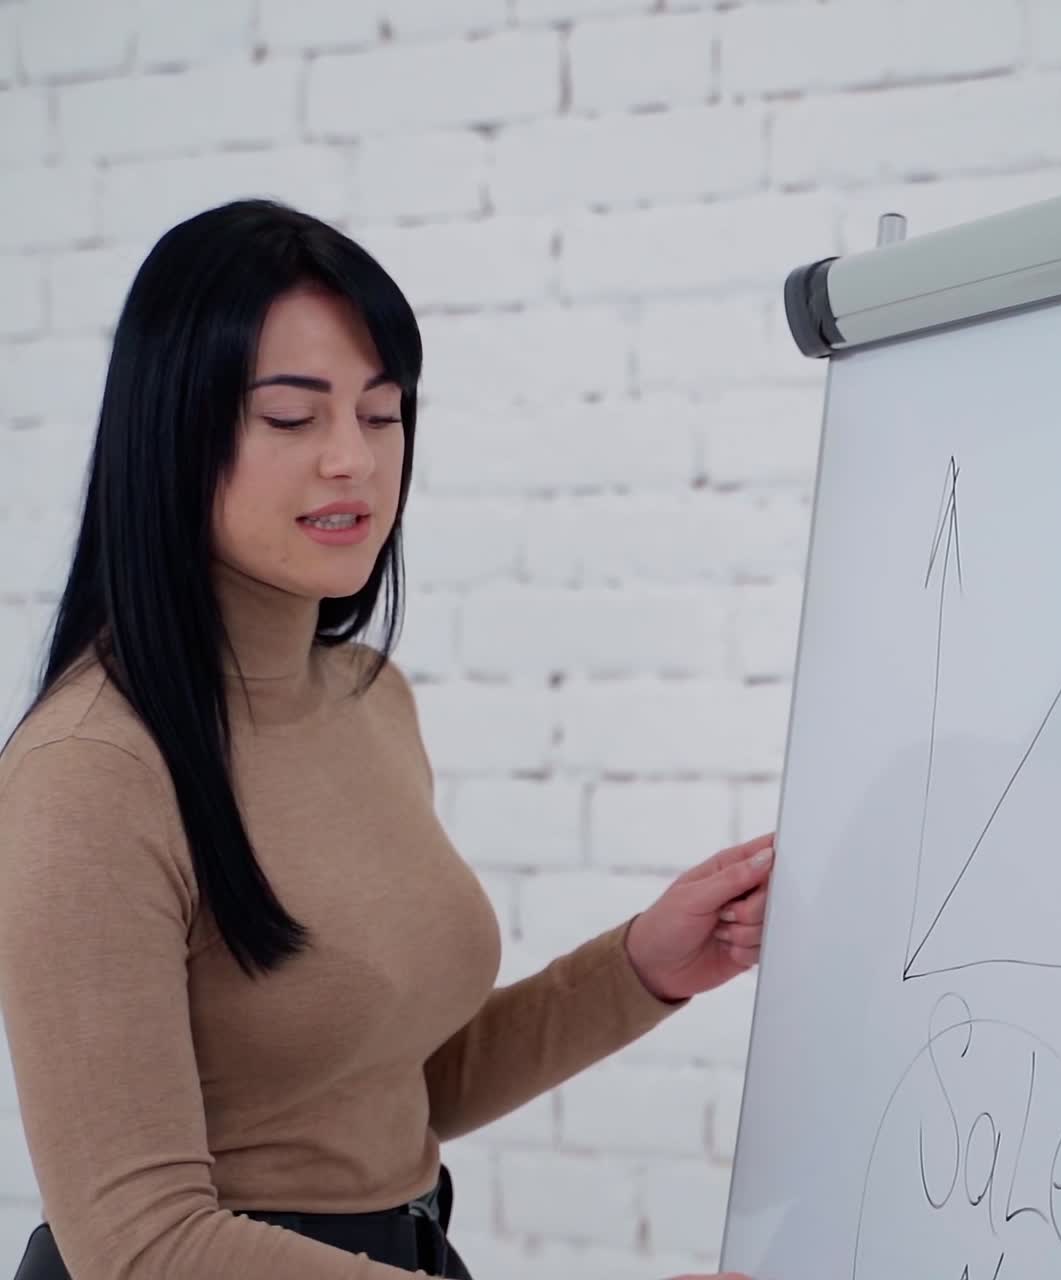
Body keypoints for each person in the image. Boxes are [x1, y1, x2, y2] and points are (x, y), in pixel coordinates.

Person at [0, 200, 771, 1280]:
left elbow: (394, 1085)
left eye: (381, 412)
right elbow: (140, 1243)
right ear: (175, 429)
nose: (352, 461)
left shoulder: (368, 696)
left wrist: (641, 963)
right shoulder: (90, 769)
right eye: (291, 417)